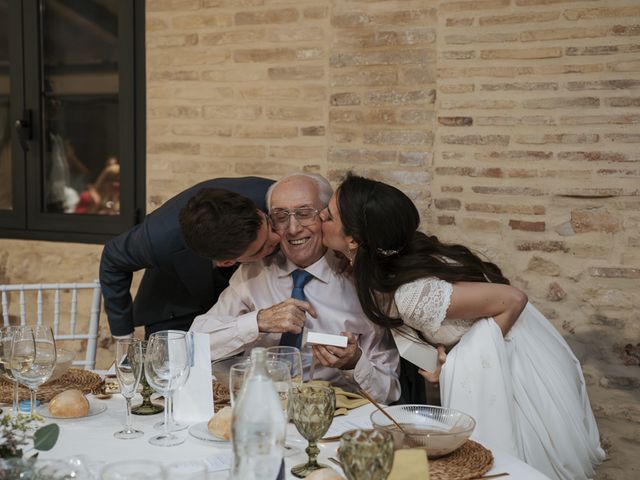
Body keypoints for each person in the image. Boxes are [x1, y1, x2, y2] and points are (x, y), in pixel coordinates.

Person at [319, 173, 605, 480]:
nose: (320, 215)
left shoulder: (412, 294)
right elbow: (427, 336)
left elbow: (513, 299)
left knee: (516, 464)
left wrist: (461, 359)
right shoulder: (381, 267)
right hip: (493, 353)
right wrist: (440, 363)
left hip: (512, 361)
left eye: (329, 215)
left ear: (353, 239)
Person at [190, 173, 400, 403]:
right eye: (280, 216)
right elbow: (194, 346)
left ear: (326, 217)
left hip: (330, 415)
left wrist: (354, 363)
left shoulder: (361, 282)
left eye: (304, 213)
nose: (292, 229)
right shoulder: (255, 272)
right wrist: (257, 322)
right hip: (260, 405)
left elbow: (389, 392)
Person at [100, 177, 280, 338]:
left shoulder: (274, 198)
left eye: (270, 225)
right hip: (176, 305)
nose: (277, 238)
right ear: (226, 262)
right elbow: (113, 259)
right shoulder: (160, 238)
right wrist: (124, 338)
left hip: (243, 306)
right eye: (262, 248)